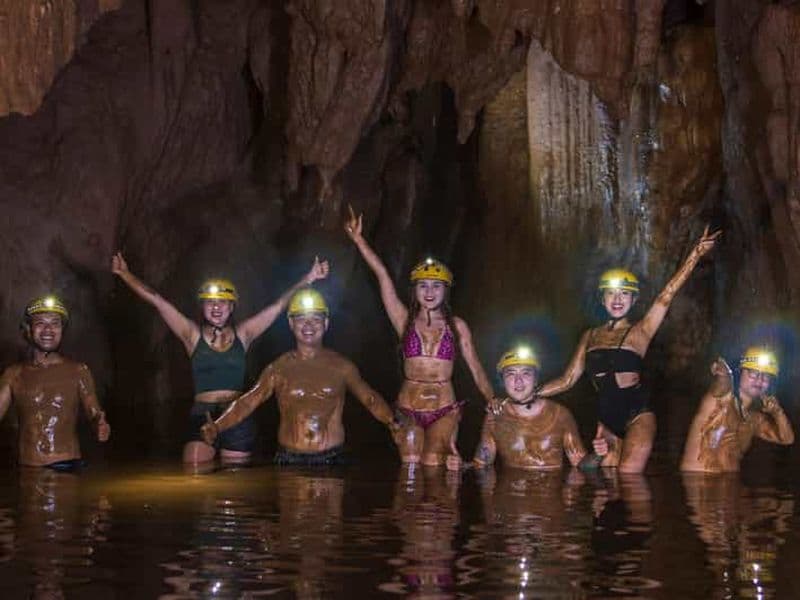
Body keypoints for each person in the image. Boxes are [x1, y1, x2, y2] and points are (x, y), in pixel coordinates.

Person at [111, 252, 329, 464]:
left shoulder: (244, 334)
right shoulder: (191, 335)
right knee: (195, 469)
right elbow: (158, 301)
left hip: (236, 415)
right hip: (202, 412)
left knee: (233, 479)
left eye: (223, 302)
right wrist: (125, 274)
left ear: (232, 307)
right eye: (210, 302)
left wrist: (308, 278)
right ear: (203, 307)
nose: (216, 307)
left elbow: (278, 306)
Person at [536, 227, 721, 472]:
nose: (617, 299)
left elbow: (665, 296)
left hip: (638, 415)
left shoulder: (641, 331)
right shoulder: (589, 336)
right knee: (601, 478)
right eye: (611, 294)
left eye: (624, 294)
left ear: (633, 300)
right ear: (602, 299)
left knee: (628, 476)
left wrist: (695, 254)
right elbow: (567, 379)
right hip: (607, 422)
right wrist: (530, 394)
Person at [344, 207, 495, 467]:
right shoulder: (404, 321)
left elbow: (476, 369)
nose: (429, 291)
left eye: (436, 286)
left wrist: (493, 400)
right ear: (414, 291)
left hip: (444, 407)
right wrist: (359, 240)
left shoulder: (457, 327)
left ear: (445, 291)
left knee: (435, 461)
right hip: (409, 406)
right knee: (411, 460)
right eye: (423, 285)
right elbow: (383, 276)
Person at [201, 288, 401, 465]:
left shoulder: (342, 367)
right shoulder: (278, 368)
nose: (308, 325)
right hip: (289, 458)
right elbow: (248, 401)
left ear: (326, 323)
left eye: (316, 319)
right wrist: (217, 426)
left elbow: (369, 398)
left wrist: (392, 422)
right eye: (301, 319)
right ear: (291, 323)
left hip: (332, 459)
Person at [0, 296, 110, 468]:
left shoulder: (79, 371)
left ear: (62, 330)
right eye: (40, 323)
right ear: (28, 329)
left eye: (55, 324)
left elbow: (94, 412)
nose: (48, 330)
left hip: (67, 466)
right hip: (29, 468)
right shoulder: (13, 374)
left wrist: (100, 424)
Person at [472, 346, 606, 470]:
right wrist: (462, 465)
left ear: (536, 379)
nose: (518, 381)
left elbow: (581, 466)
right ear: (503, 381)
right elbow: (481, 465)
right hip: (511, 487)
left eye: (526, 373)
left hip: (551, 486)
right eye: (510, 374)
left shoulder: (560, 415)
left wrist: (598, 455)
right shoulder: (495, 415)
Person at [680, 347, 794, 472]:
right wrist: (724, 373)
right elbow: (723, 380)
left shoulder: (754, 420)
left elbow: (787, 439)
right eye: (753, 373)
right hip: (697, 480)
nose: (759, 379)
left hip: (731, 481)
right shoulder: (720, 399)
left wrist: (777, 412)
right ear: (740, 373)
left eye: (766, 376)